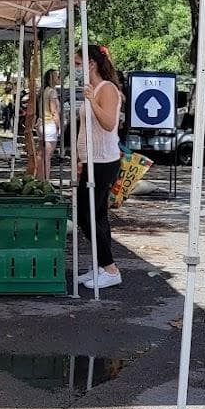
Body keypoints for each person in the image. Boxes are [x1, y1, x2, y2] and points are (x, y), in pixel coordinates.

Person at [75, 43, 123, 290]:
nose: (76, 69)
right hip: (91, 160)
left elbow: (107, 123)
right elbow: (86, 130)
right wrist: (81, 159)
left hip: (104, 161)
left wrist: (92, 101)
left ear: (91, 64)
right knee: (95, 215)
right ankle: (101, 264)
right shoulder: (93, 89)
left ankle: (110, 268)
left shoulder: (107, 89)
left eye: (78, 64)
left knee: (88, 214)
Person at [38, 69, 61, 179]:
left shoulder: (44, 91)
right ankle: (46, 179)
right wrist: (58, 126)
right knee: (48, 155)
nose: (58, 78)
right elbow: (54, 111)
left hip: (42, 124)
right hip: (50, 124)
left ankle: (40, 177)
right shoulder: (52, 92)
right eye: (56, 76)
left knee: (42, 154)